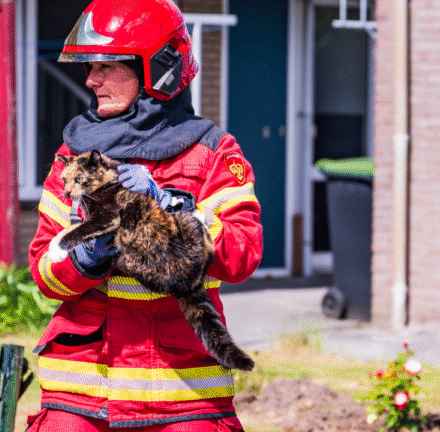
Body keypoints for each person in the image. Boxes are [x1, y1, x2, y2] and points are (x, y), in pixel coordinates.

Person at [27, 0, 263, 430]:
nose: (91, 80)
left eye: (106, 65)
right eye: (89, 67)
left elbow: (243, 253)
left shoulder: (213, 155)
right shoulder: (73, 154)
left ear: (160, 68)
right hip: (81, 393)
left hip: (183, 394)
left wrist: (177, 209)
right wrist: (86, 255)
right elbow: (45, 270)